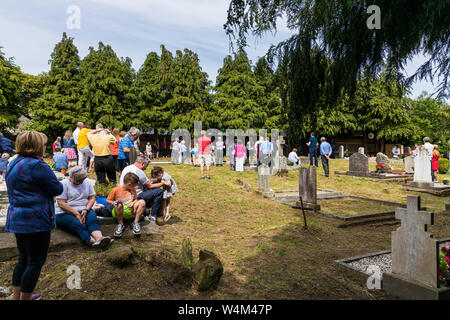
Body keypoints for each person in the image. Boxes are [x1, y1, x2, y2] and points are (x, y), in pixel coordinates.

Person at [5, 131, 63, 300]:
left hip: (17, 218)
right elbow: (57, 189)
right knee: (35, 262)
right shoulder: (37, 165)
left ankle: (17, 297)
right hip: (34, 220)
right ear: (38, 146)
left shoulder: (14, 163)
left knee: (23, 259)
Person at [55, 166, 113, 248]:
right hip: (64, 212)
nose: (82, 182)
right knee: (78, 224)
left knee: (92, 221)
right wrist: (75, 213)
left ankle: (100, 239)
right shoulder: (64, 184)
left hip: (84, 208)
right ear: (71, 178)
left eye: (83, 179)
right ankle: (93, 242)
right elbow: (61, 203)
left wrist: (86, 209)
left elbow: (92, 198)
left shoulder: (87, 182)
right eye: (79, 180)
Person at [120, 156, 165, 227]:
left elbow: (146, 182)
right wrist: (163, 183)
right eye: (145, 167)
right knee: (159, 191)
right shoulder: (139, 171)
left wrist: (156, 180)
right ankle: (153, 215)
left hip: (124, 195)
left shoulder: (127, 168)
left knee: (148, 189)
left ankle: (148, 211)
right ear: (143, 163)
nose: (145, 169)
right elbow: (149, 186)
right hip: (134, 196)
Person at [107, 172, 147, 238]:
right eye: (134, 185)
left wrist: (133, 202)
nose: (135, 187)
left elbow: (135, 199)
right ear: (129, 184)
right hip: (119, 211)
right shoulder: (115, 190)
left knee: (142, 202)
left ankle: (135, 222)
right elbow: (107, 200)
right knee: (119, 204)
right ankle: (120, 224)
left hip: (130, 210)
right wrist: (113, 203)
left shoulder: (132, 189)